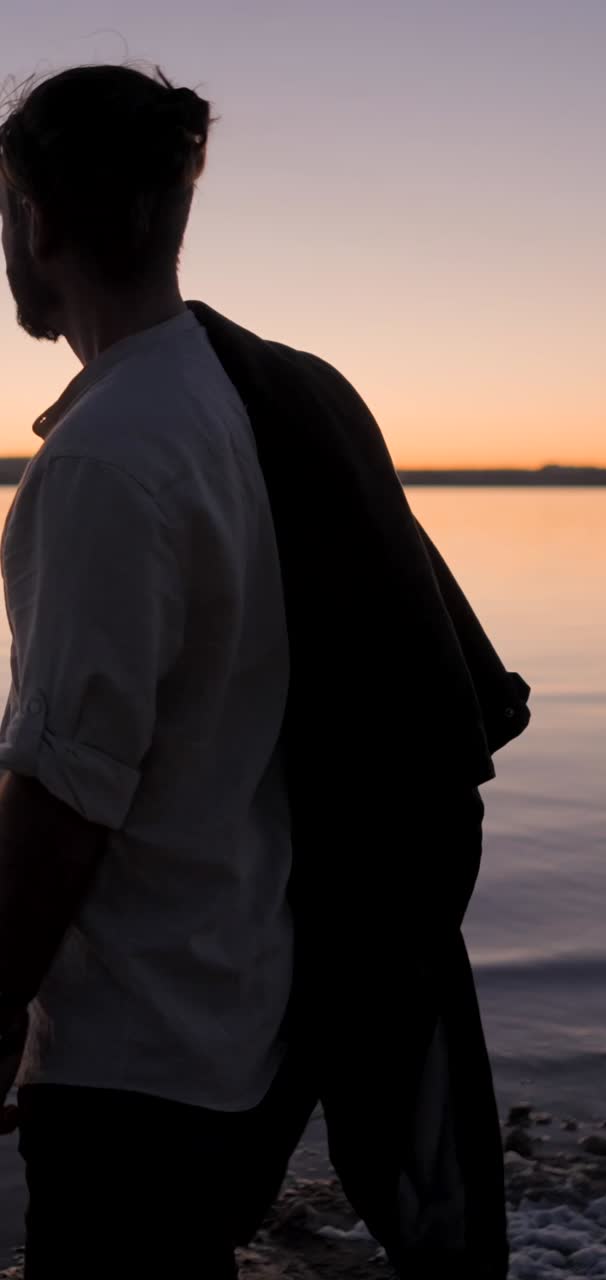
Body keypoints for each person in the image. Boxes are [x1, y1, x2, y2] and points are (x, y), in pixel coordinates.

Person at [0, 64, 295, 1279]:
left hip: (133, 1064)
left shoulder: (105, 463)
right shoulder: (223, 402)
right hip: (229, 1016)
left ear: (41, 218)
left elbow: (65, 804)